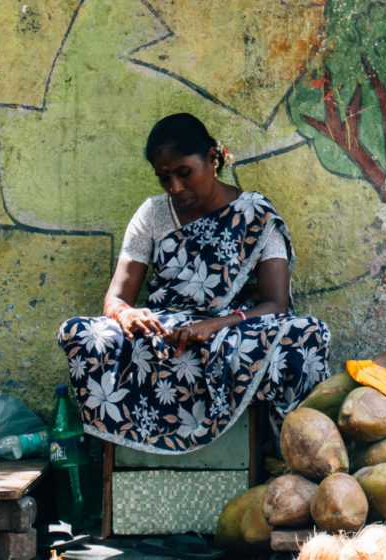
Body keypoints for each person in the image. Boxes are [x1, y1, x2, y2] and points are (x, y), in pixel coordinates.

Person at [57, 113, 331, 454]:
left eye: (184, 173)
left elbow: (276, 305)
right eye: (164, 178)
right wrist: (126, 315)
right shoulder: (152, 214)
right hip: (166, 330)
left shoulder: (255, 215)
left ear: (213, 159)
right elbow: (116, 298)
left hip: (232, 330)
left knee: (306, 334)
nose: (175, 188)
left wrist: (214, 325)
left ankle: (286, 457)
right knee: (82, 333)